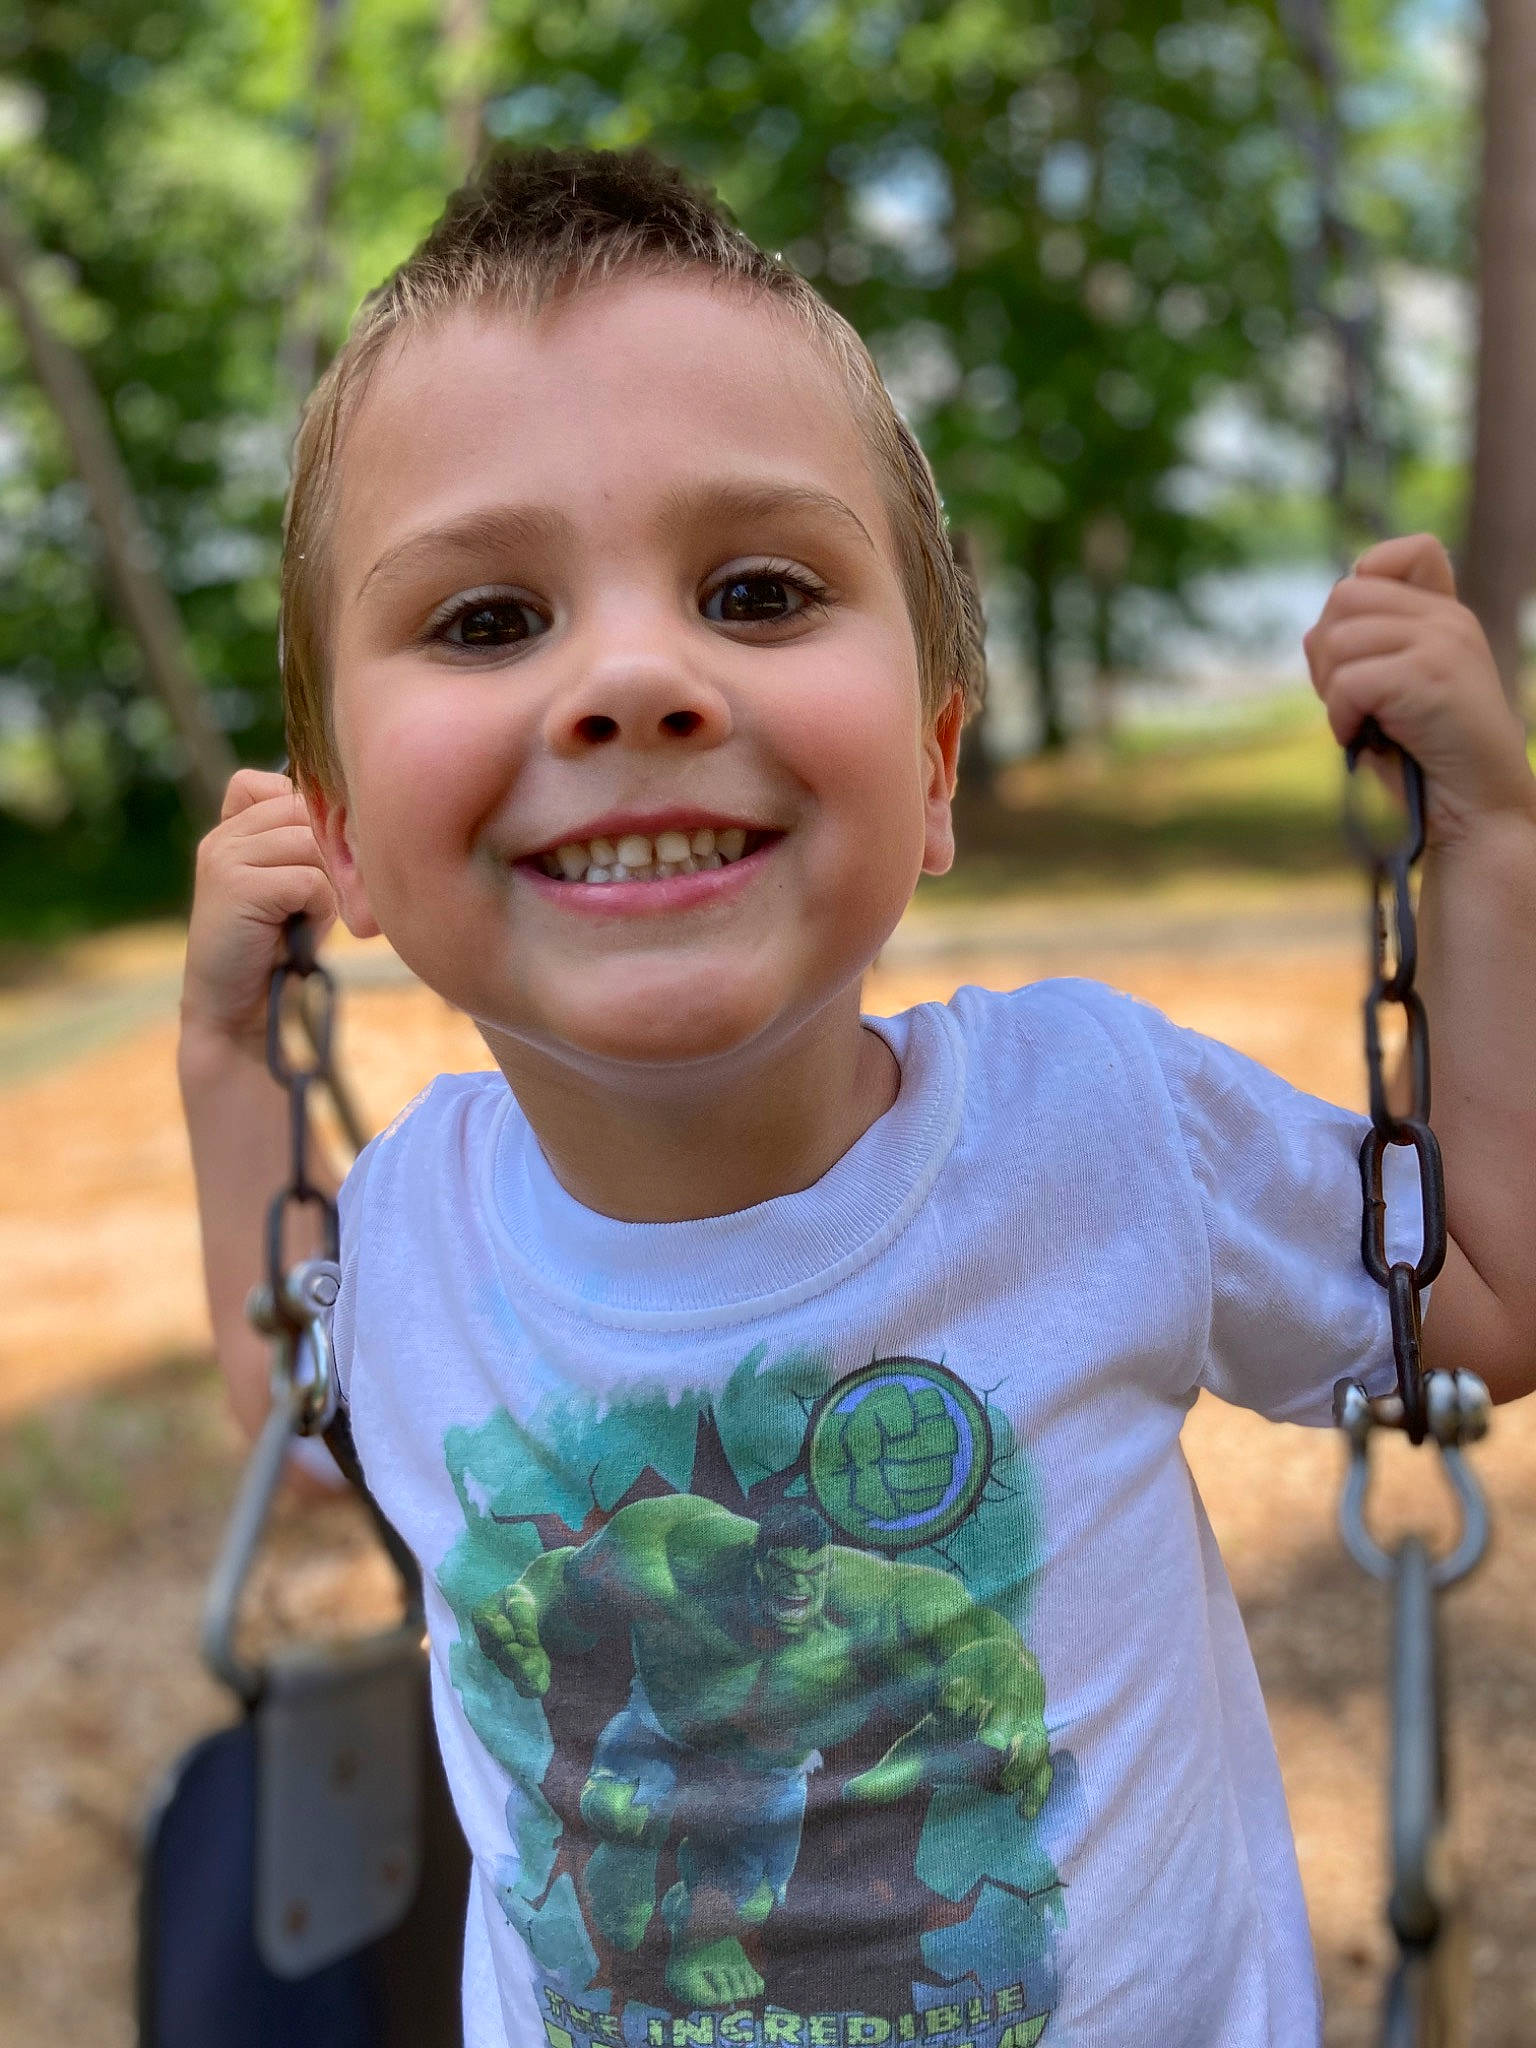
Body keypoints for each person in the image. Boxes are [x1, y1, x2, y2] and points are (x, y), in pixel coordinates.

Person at [178, 146, 1536, 2048]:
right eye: (487, 620)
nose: (632, 680)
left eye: (756, 590)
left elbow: (1479, 1298)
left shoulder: (1094, 1128)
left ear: (936, 763)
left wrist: (1487, 851)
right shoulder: (405, 1230)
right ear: (341, 845)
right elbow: (292, 1403)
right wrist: (227, 1061)